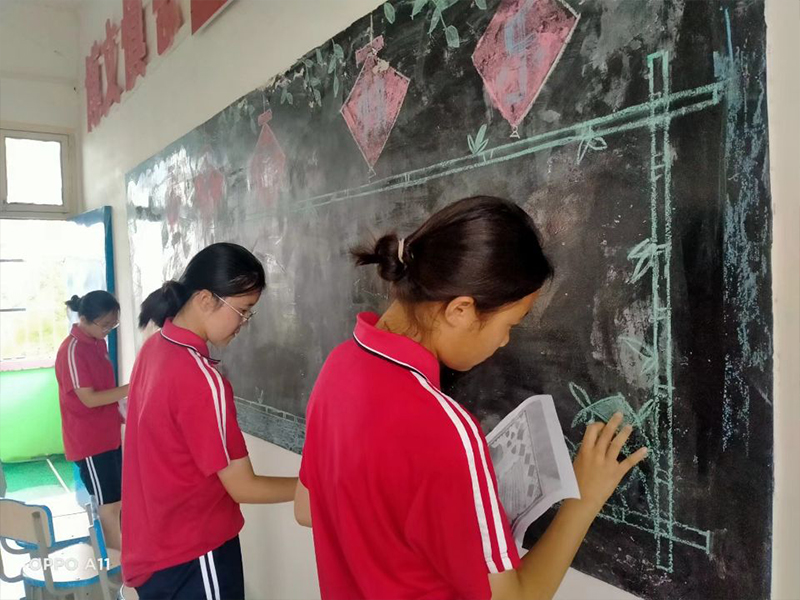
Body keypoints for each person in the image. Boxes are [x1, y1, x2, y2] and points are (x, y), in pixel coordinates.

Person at [295, 196, 648, 600]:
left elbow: (306, 509)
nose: (505, 341)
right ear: (461, 310)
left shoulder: (339, 366)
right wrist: (583, 500)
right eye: (510, 324)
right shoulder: (448, 431)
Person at [122, 242, 297, 599]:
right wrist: (316, 486)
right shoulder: (201, 378)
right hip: (193, 554)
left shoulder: (156, 347)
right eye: (243, 310)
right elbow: (244, 487)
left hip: (155, 549)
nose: (244, 324)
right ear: (205, 299)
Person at [55, 290, 127, 550]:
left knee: (118, 500)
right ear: (84, 319)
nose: (108, 331)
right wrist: (133, 387)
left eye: (113, 325)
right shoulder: (72, 350)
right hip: (90, 442)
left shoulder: (98, 342)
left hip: (109, 436)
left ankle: (123, 555)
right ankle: (115, 563)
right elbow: (90, 399)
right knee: (109, 505)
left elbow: (105, 390)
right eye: (104, 325)